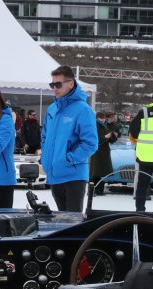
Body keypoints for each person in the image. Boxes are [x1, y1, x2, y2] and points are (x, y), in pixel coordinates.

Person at [41, 66, 97, 213]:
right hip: (54, 175)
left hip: (73, 176)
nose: (55, 88)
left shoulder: (83, 109)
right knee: (62, 220)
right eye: (52, 84)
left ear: (71, 83)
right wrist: (46, 158)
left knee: (73, 221)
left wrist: (68, 159)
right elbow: (45, 137)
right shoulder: (52, 109)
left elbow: (90, 143)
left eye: (58, 84)